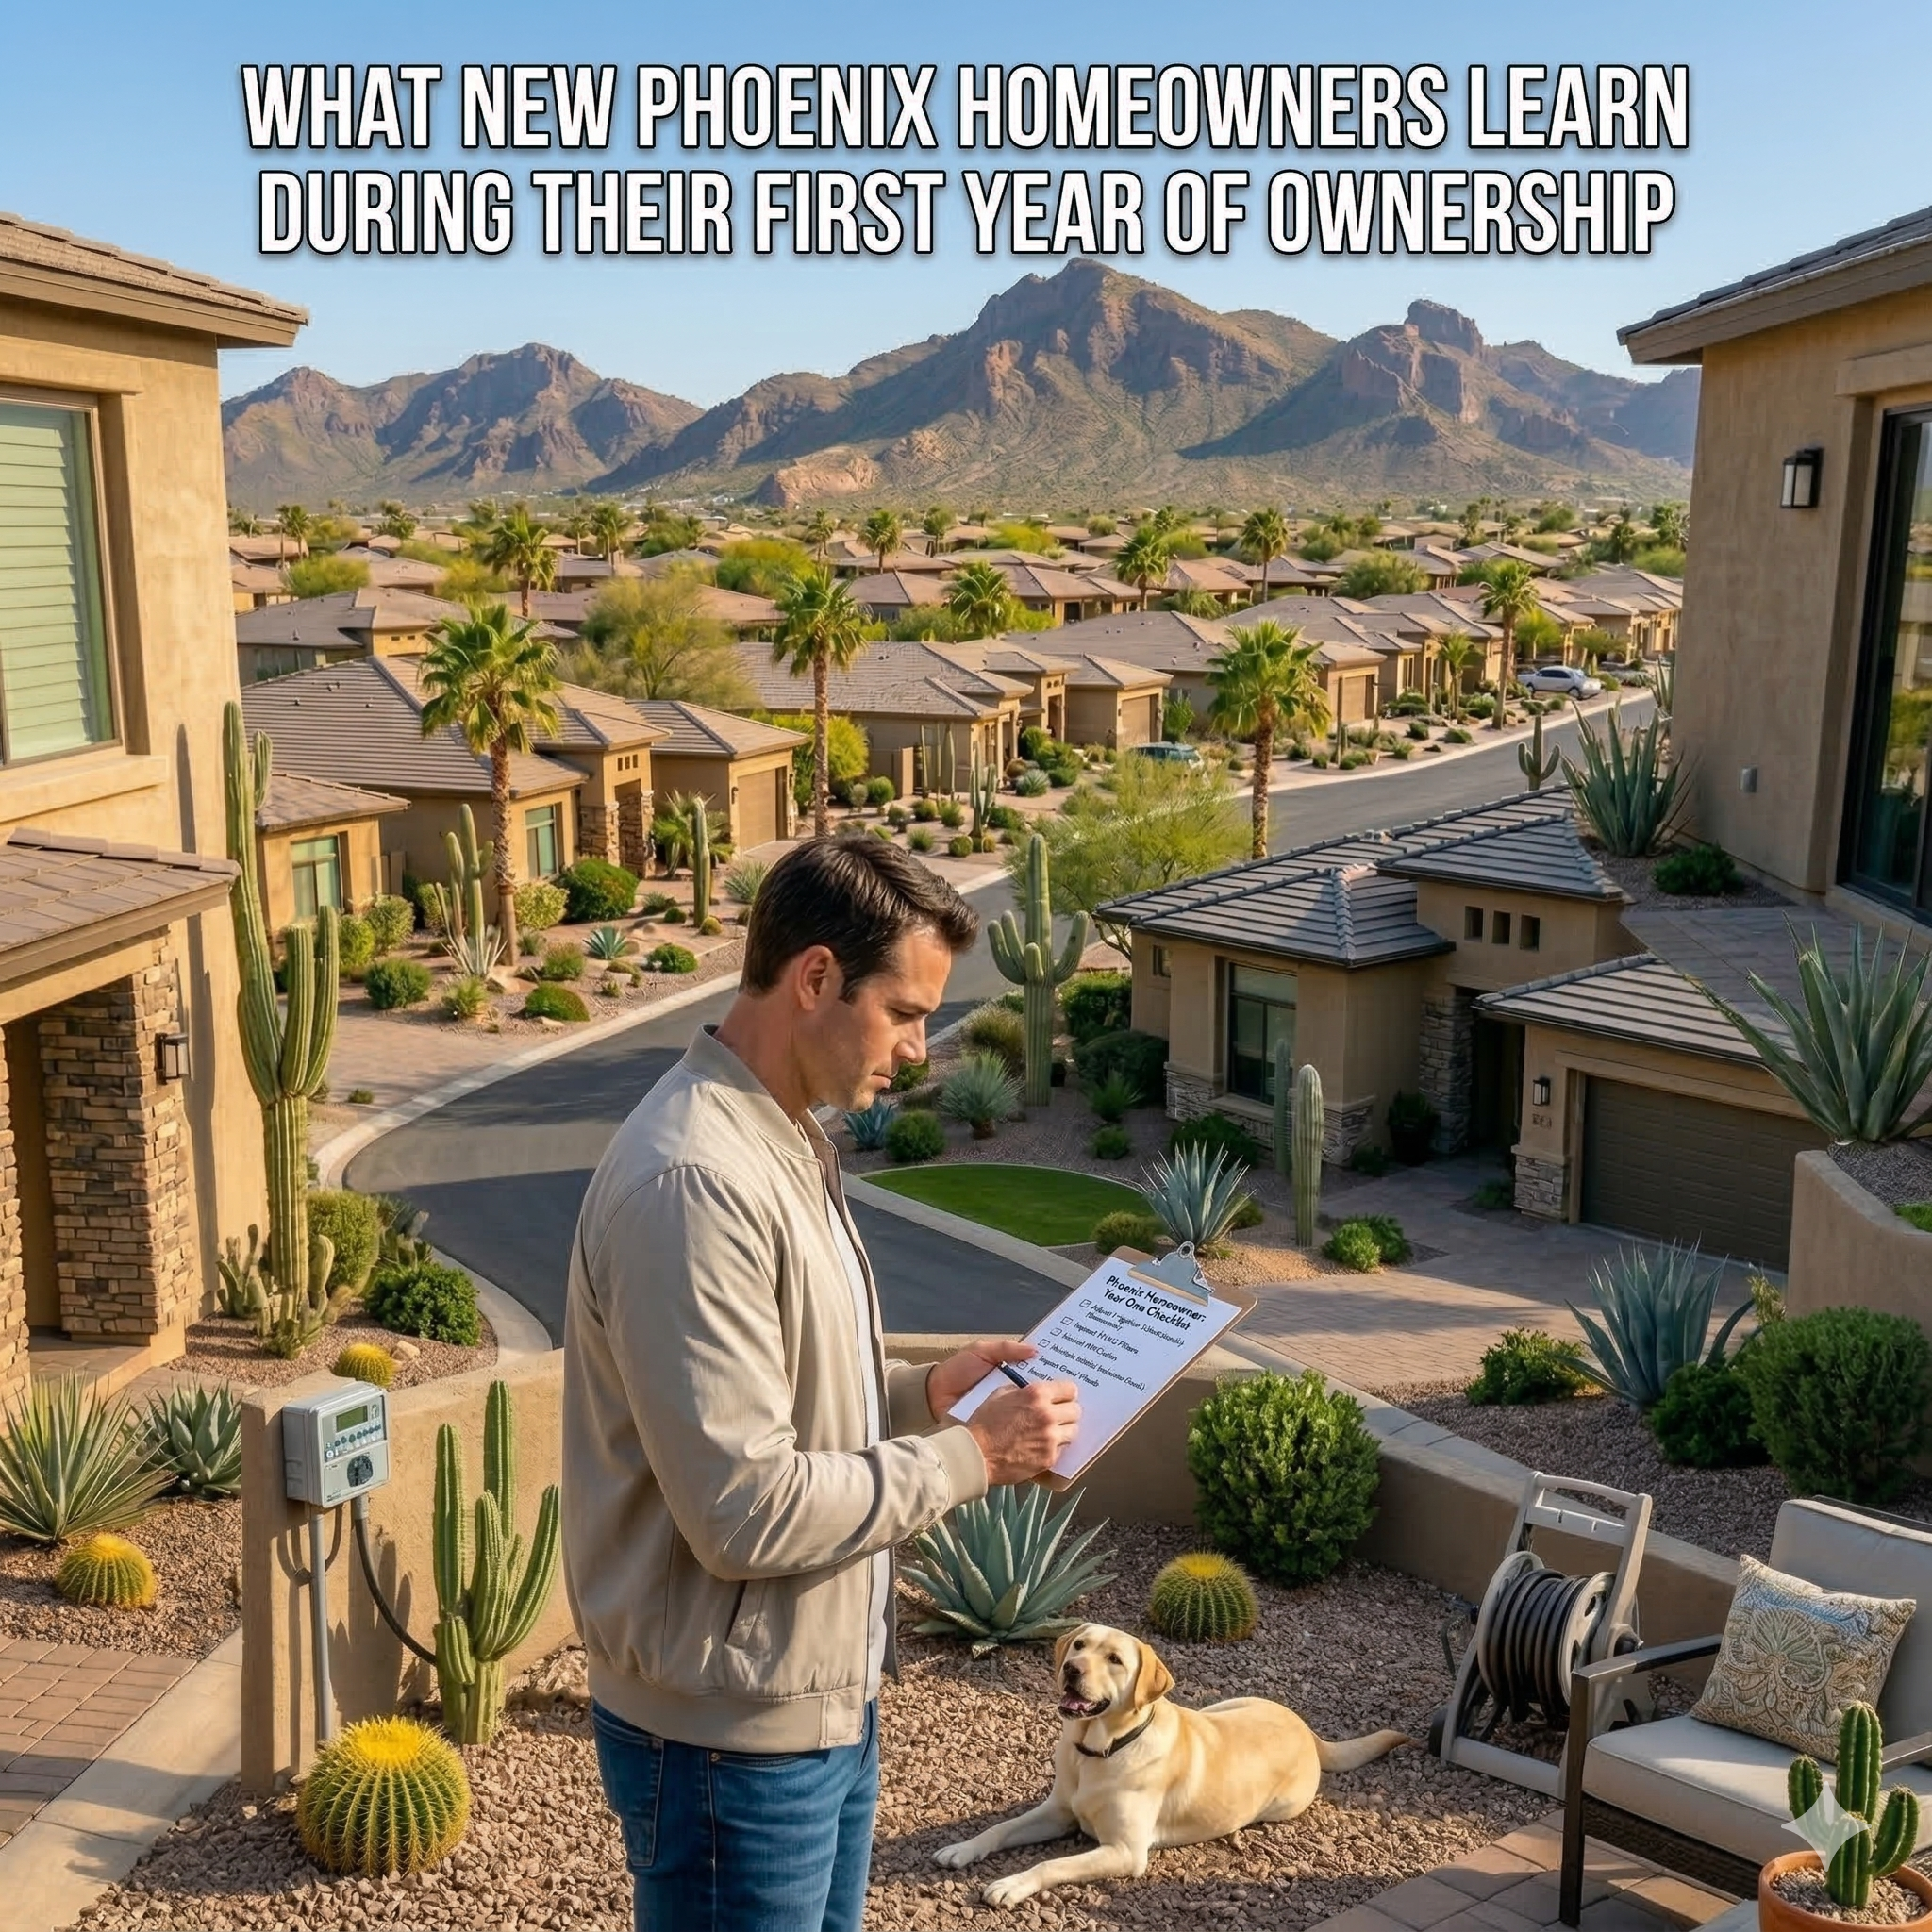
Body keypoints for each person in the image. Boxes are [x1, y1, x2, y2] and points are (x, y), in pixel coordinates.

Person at [562, 835, 1082, 1932]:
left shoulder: (782, 1142)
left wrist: (924, 1394)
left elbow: (788, 1406)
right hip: (726, 1745)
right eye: (904, 1011)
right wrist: (973, 1454)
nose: (920, 1047)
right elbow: (742, 1509)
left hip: (810, 1708)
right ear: (812, 979)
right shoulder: (695, 1183)